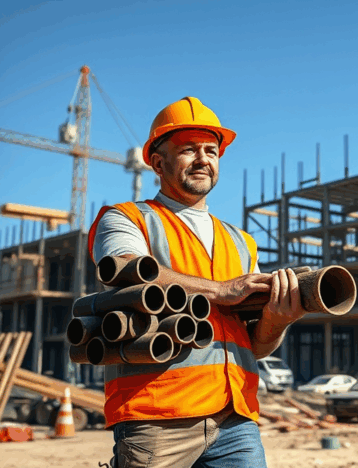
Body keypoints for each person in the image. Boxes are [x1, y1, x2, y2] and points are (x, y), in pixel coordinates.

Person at [88, 96, 307, 468]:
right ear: (158, 162)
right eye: (189, 150)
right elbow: (124, 264)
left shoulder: (240, 242)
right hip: (157, 416)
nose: (204, 159)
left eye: (211, 150)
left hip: (236, 417)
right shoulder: (127, 218)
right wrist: (220, 290)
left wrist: (278, 321)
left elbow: (254, 346)